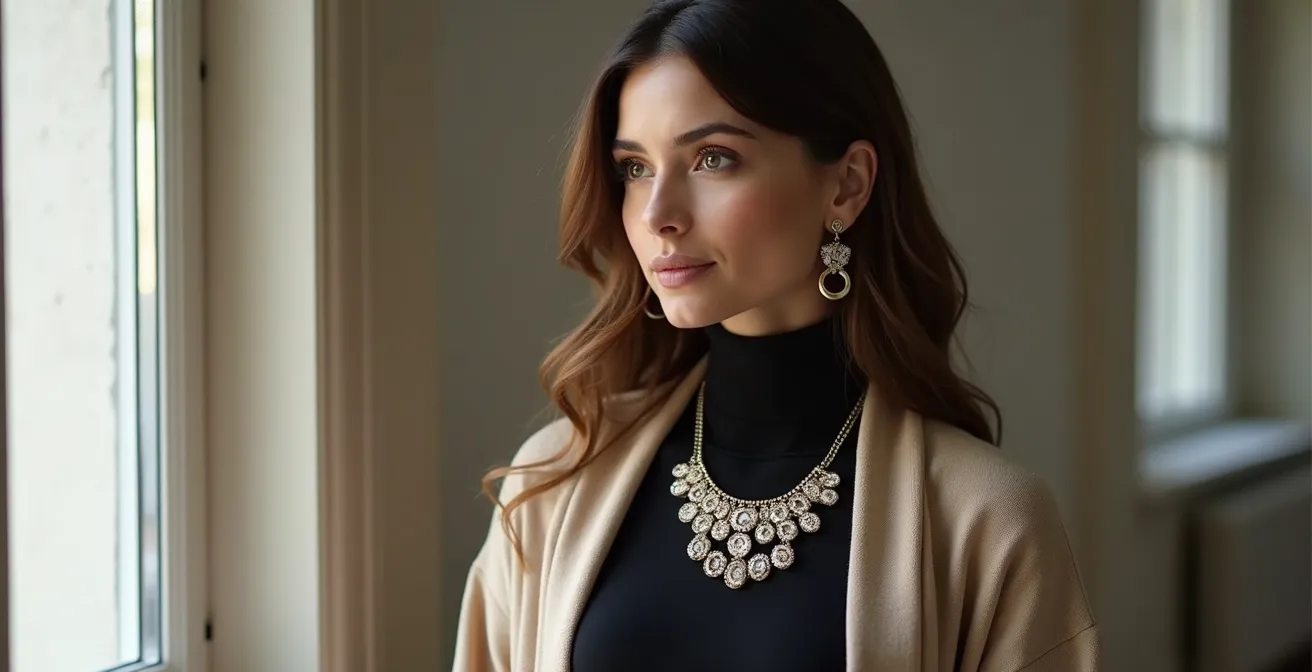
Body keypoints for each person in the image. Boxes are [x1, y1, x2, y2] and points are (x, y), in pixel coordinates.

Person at [453, 0, 1099, 670]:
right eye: (635, 167)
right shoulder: (554, 480)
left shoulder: (988, 521)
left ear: (846, 185)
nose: (657, 214)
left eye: (712, 158)